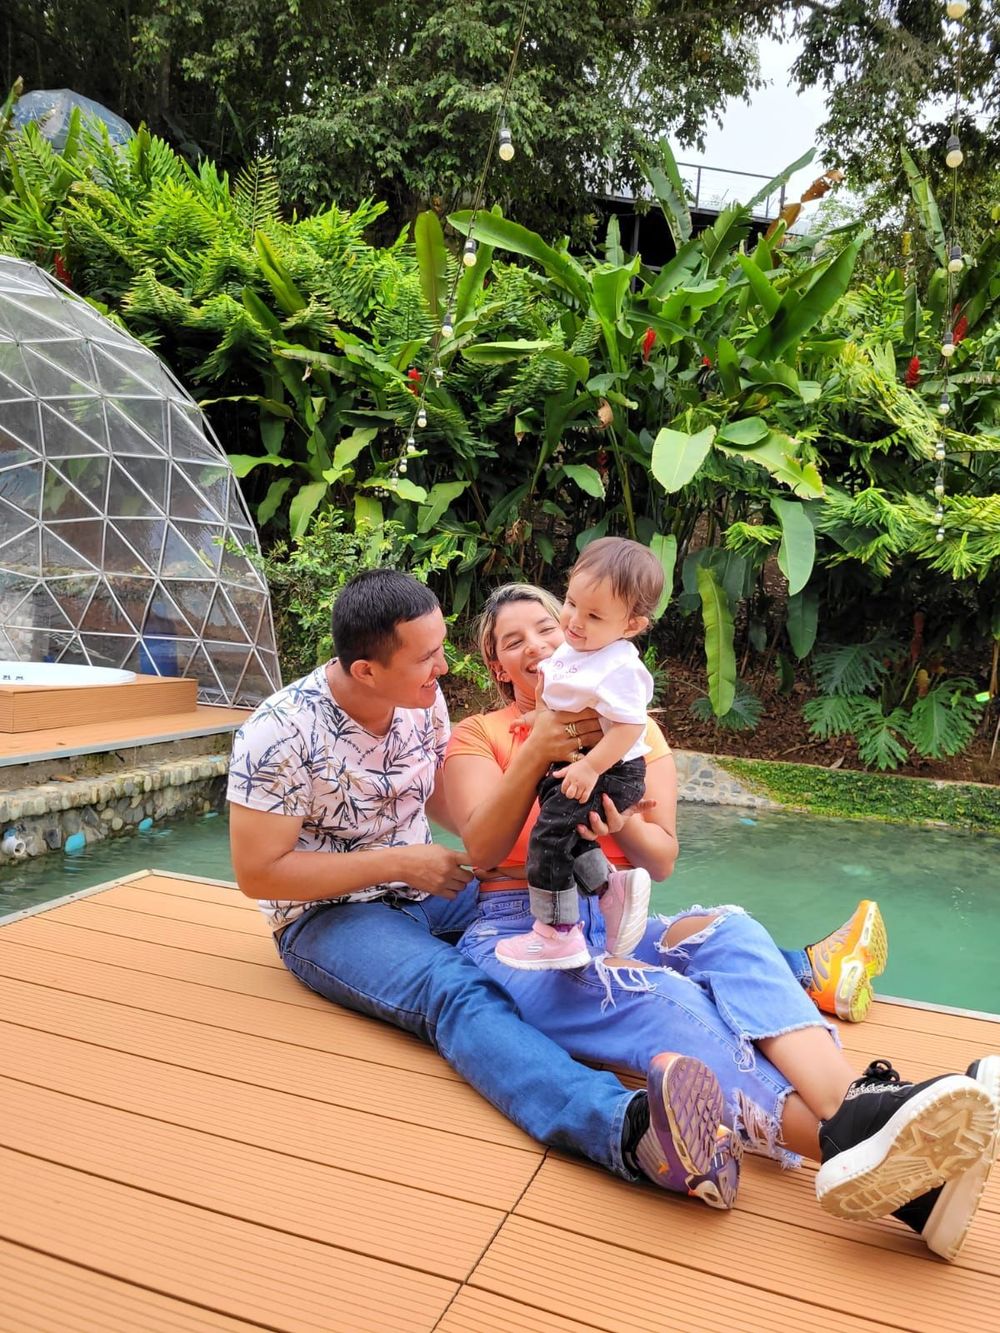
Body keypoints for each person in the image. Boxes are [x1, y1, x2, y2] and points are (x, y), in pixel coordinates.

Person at [443, 581, 1000, 1258]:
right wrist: (537, 747)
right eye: (513, 641)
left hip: (616, 910)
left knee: (731, 931)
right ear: (497, 665)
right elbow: (479, 849)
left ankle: (859, 1115)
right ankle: (887, 1160)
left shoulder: (628, 724)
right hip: (519, 930)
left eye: (546, 628)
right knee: (662, 995)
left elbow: (660, 857)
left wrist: (620, 819)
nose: (536, 645)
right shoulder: (477, 735)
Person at [226, 568, 740, 1208]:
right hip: (328, 916)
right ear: (366, 671)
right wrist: (400, 862)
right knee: (454, 989)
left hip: (430, 881)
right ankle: (628, 1131)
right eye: (427, 657)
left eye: (441, 648)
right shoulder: (278, 733)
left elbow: (457, 814)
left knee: (555, 910)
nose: (443, 668)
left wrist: (533, 821)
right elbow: (258, 873)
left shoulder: (420, 702)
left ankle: (789, 969)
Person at [496, 537, 662, 970]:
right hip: (575, 764)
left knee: (549, 837)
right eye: (571, 604)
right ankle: (609, 887)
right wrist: (536, 720)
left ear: (631, 625)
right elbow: (562, 701)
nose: (574, 621)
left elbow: (630, 726)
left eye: (594, 615)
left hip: (609, 768)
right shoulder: (579, 650)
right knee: (566, 835)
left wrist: (590, 767)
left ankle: (557, 932)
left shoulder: (619, 665)